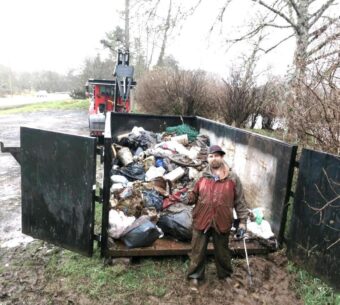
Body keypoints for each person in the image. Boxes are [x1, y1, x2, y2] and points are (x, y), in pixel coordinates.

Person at [187, 144, 248, 289]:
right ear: (207, 158)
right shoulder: (201, 176)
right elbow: (193, 195)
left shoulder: (233, 178)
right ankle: (195, 276)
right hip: (202, 219)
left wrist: (243, 222)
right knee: (197, 250)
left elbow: (240, 201)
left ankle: (225, 275)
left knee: (222, 251)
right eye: (211, 156)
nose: (214, 158)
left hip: (222, 220)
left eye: (217, 155)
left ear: (222, 157)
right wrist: (188, 196)